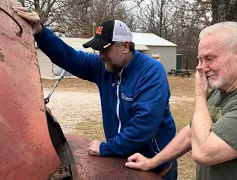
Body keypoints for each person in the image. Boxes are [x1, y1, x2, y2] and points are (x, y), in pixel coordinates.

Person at [13, 6, 177, 179]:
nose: (101, 55)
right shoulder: (105, 68)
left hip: (156, 167)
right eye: (98, 50)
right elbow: (70, 57)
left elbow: (144, 125)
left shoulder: (150, 72)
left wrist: (107, 148)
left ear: (126, 46)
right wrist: (41, 32)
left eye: (106, 49)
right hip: (123, 164)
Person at [125, 21, 237, 180]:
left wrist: (199, 95)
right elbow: (191, 134)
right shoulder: (219, 93)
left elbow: (204, 152)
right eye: (200, 59)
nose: (201, 67)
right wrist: (152, 162)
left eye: (209, 58)